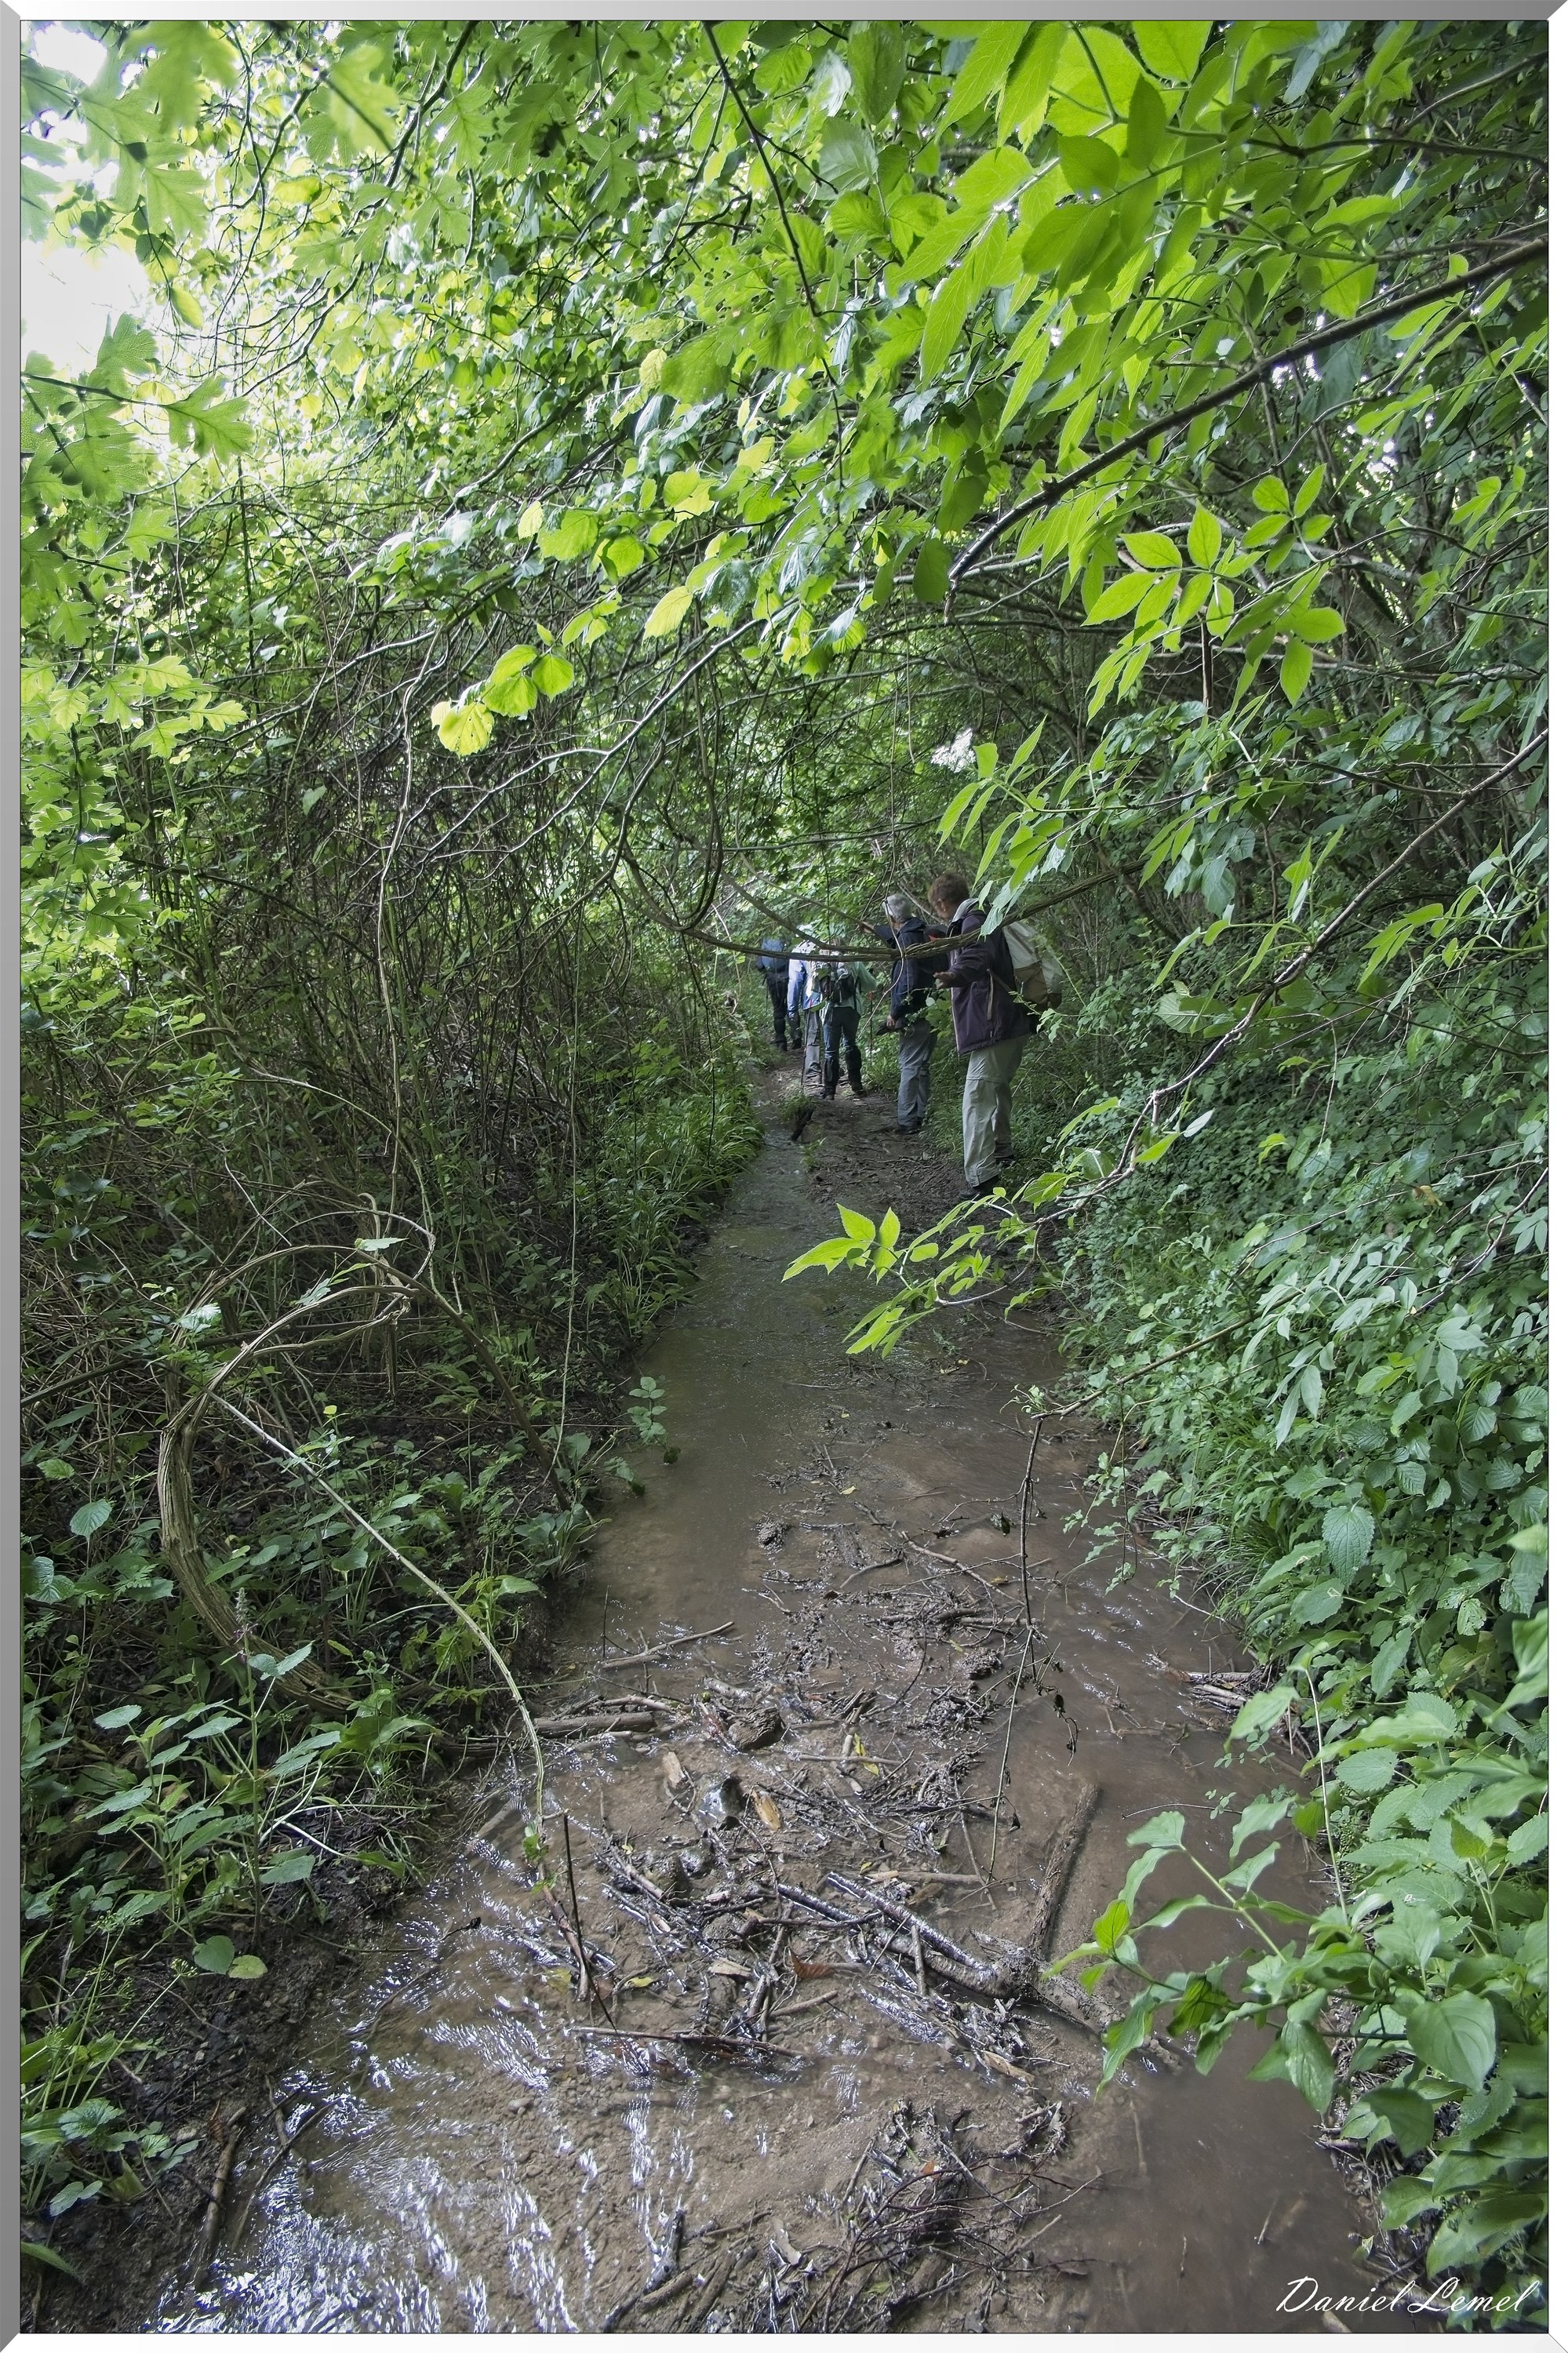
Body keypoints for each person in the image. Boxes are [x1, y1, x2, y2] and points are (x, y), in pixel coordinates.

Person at [929, 869, 1033, 1195]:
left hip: (995, 1023)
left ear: (944, 903)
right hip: (1012, 1020)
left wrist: (953, 975)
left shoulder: (975, 920)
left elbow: (977, 955)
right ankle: (1002, 1149)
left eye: (936, 908)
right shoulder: (983, 916)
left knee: (977, 1097)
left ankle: (982, 1177)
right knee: (997, 1088)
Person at [873, 893, 937, 1136]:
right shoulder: (920, 930)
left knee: (910, 1065)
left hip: (914, 1012)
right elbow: (894, 937)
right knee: (921, 1066)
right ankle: (919, 1115)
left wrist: (895, 1011)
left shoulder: (908, 939)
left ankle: (907, 1121)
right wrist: (873, 928)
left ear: (892, 917)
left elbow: (907, 979)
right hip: (932, 1009)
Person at [820, 959, 871, 1100]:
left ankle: (830, 1091)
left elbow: (813, 989)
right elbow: (871, 984)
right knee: (850, 1043)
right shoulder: (855, 962)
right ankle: (856, 1084)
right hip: (852, 1009)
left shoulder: (822, 963)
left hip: (830, 1011)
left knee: (831, 1051)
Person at [788, 942, 826, 1091]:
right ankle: (833, 1069)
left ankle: (813, 1073)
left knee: (813, 1036)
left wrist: (792, 1009)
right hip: (835, 998)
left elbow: (795, 982)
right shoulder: (826, 945)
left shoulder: (799, 951)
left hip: (813, 1000)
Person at [753, 935, 790, 1051]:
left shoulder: (765, 947)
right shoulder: (785, 945)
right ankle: (797, 1037)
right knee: (791, 1006)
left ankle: (781, 1041)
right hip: (788, 978)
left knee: (778, 1010)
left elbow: (760, 966)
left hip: (773, 981)